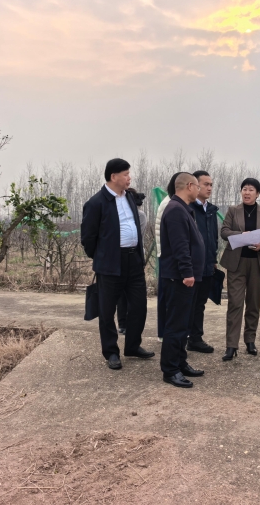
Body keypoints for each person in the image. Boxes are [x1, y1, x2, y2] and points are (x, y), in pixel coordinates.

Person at [81, 158, 154, 370]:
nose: (129, 178)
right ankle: (111, 352)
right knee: (107, 310)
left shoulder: (129, 198)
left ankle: (133, 346)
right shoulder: (96, 203)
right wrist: (102, 256)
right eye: (125, 174)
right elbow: (88, 238)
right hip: (110, 263)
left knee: (139, 305)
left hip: (134, 260)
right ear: (113, 177)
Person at [159, 173, 206, 388]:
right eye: (198, 186)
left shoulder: (183, 209)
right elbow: (180, 246)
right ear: (189, 186)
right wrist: (187, 273)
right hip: (179, 278)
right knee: (176, 324)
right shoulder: (176, 210)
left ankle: (180, 362)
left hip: (186, 277)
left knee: (183, 324)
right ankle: (170, 370)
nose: (199, 190)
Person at [219, 178, 260, 360]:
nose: (247, 192)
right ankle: (231, 345)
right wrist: (240, 235)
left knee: (253, 303)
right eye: (244, 189)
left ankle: (250, 340)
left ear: (257, 193)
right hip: (236, 263)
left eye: (251, 189)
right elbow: (224, 231)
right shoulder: (233, 210)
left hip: (257, 263)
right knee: (235, 303)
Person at [187, 170, 219, 354]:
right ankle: (183, 337)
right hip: (192, 266)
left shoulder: (211, 210)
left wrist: (213, 259)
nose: (209, 188)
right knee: (188, 303)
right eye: (206, 184)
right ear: (195, 185)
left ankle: (195, 338)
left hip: (207, 265)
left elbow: (213, 237)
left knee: (200, 303)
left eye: (211, 185)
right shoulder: (188, 208)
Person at [153, 173, 182, 342]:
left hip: (169, 256)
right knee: (167, 296)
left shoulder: (174, 203)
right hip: (168, 257)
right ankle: (164, 333)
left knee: (171, 297)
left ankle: (168, 332)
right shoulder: (170, 204)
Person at [117, 187, 147, 335]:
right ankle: (123, 323)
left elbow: (139, 236)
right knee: (121, 292)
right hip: (120, 256)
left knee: (134, 295)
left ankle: (130, 326)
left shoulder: (140, 215)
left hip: (135, 254)